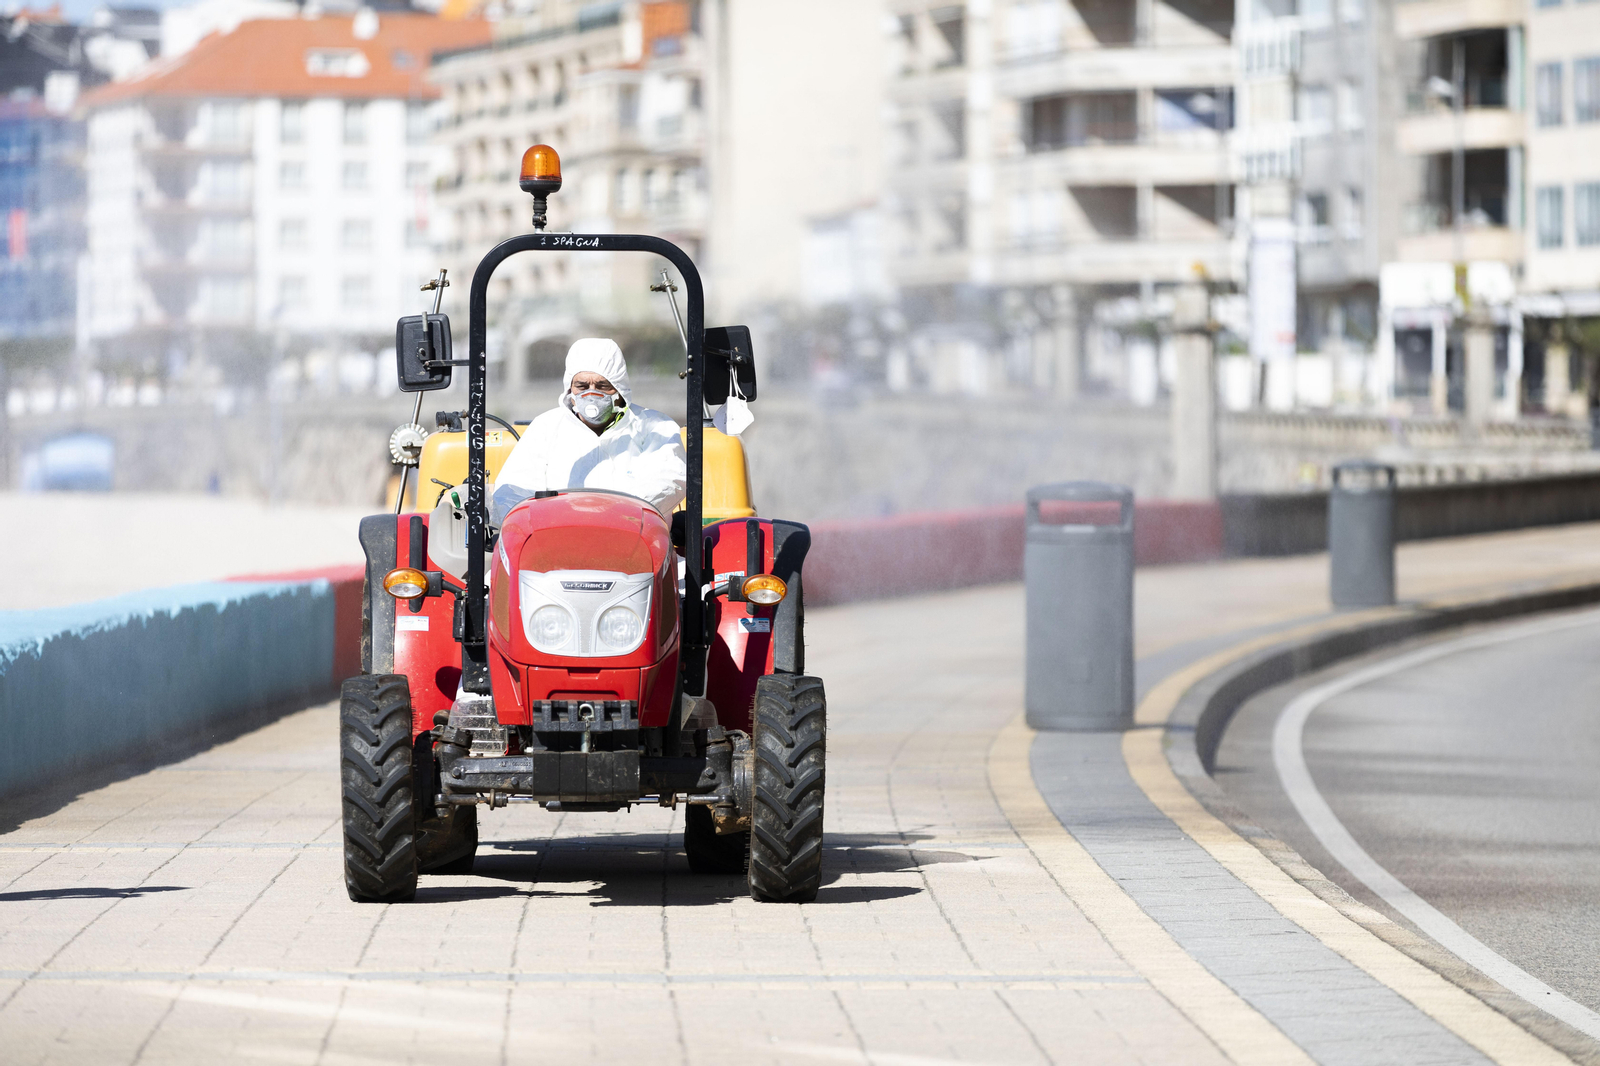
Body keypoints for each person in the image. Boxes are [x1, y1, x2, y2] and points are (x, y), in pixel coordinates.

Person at [490, 338, 686, 525]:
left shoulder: (654, 427)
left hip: (635, 539)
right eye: (582, 386)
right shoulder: (545, 428)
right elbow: (513, 489)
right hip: (557, 540)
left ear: (619, 389)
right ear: (569, 388)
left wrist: (617, 514)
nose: (591, 394)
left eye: (602, 386)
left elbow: (670, 480)